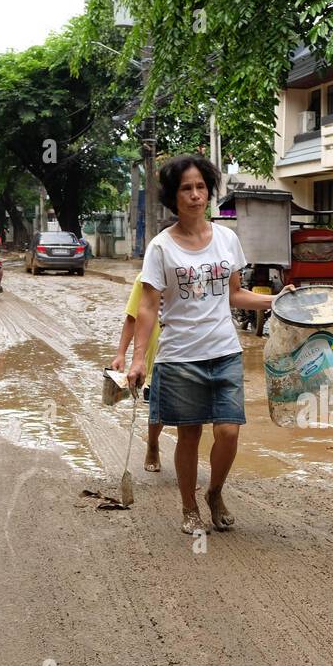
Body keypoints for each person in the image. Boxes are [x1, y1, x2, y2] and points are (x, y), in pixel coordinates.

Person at [126, 153, 279, 535]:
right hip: (180, 356)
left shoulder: (227, 239)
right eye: (186, 188)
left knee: (229, 431)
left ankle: (215, 492)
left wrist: (277, 300)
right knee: (190, 435)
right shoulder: (161, 247)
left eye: (200, 187)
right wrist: (137, 359)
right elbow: (147, 307)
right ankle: (189, 506)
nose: (195, 195)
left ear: (209, 192)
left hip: (225, 351)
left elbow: (236, 295)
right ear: (173, 197)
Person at [111, 278, 164, 472]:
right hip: (156, 355)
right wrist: (121, 354)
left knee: (191, 415)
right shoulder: (146, 277)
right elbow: (132, 318)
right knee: (159, 409)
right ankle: (152, 443)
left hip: (186, 351)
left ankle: (186, 468)